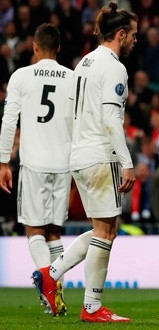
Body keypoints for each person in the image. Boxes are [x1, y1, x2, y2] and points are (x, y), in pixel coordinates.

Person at [32, 1, 137, 322]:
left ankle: (51, 273)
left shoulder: (84, 63)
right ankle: (92, 307)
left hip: (79, 152)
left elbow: (68, 113)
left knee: (104, 229)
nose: (135, 40)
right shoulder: (115, 67)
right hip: (100, 154)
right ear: (120, 34)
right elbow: (110, 118)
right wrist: (127, 161)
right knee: (105, 232)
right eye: (133, 34)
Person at [0, 23, 78, 316]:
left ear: (34, 47)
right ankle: (55, 295)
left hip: (32, 164)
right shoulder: (72, 79)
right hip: (63, 164)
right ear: (58, 48)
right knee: (55, 232)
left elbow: (10, 122)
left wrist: (2, 162)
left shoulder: (21, 76)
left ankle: (47, 282)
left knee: (34, 229)